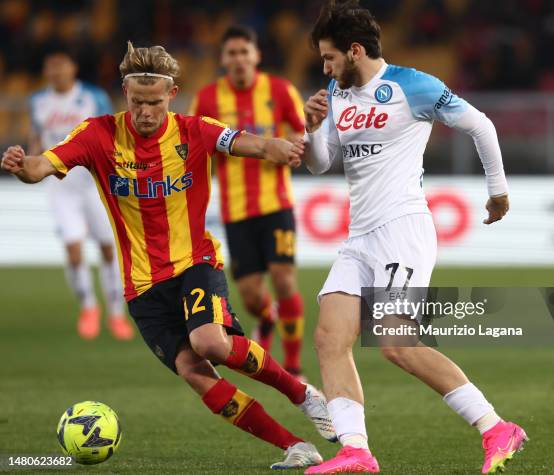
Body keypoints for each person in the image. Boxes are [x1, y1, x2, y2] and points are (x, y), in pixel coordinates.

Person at [2, 42, 335, 469]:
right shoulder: (97, 134)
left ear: (172, 93)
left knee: (209, 341)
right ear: (126, 93)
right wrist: (21, 164)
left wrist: (276, 148)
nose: (144, 112)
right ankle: (294, 446)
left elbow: (247, 143)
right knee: (195, 373)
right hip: (141, 285)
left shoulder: (194, 130)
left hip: (194, 262)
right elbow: (40, 168)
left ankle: (302, 394)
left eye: (154, 102)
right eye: (137, 102)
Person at [301, 1, 527, 473]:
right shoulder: (336, 95)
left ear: (355, 50)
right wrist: (313, 128)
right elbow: (321, 163)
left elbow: (480, 125)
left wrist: (498, 193)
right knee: (328, 337)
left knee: (395, 342)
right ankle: (356, 451)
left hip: (402, 229)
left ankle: (495, 426)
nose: (324, 67)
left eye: (329, 57)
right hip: (359, 234)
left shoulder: (414, 86)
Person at [190, 26, 306, 377]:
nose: (239, 59)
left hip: (277, 205)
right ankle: (267, 320)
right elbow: (197, 147)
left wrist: (290, 147)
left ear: (256, 55)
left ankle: (294, 365)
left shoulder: (280, 90)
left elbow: (302, 132)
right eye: (232, 53)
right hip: (236, 210)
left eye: (245, 52)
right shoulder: (209, 99)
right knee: (253, 296)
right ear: (223, 59)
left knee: (284, 279)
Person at [28, 48, 133, 340]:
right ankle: (89, 307)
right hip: (60, 186)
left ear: (73, 67)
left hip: (93, 184)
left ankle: (115, 312)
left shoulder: (93, 97)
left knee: (108, 249)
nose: (56, 71)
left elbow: (111, 135)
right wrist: (31, 162)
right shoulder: (37, 101)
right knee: (74, 252)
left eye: (61, 65)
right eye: (51, 66)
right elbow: (36, 137)